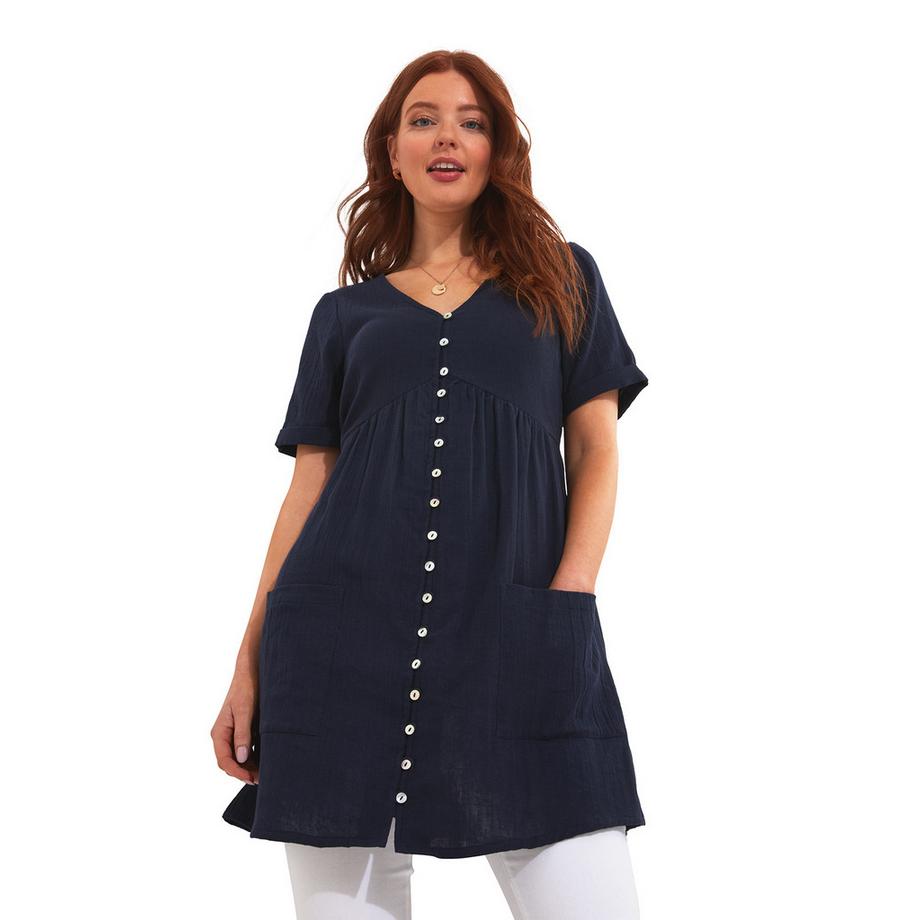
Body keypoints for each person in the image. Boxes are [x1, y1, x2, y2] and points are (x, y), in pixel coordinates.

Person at [214, 49, 649, 920]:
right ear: (393, 149)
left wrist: (567, 602)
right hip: (337, 651)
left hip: (519, 636)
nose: (447, 136)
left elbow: (597, 449)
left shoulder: (563, 279)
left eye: (471, 122)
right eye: (424, 119)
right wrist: (247, 659)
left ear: (497, 150)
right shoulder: (345, 316)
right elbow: (310, 486)